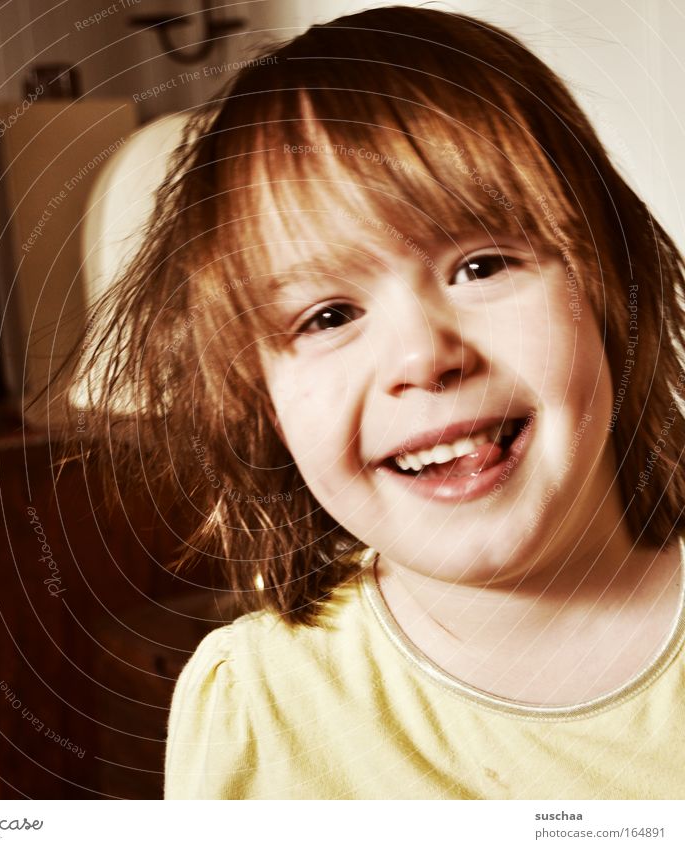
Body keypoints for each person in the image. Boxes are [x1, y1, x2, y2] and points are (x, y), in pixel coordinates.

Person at [79, 6, 685, 798]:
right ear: (258, 402)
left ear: (614, 288)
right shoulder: (259, 705)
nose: (424, 356)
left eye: (484, 265)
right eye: (328, 316)